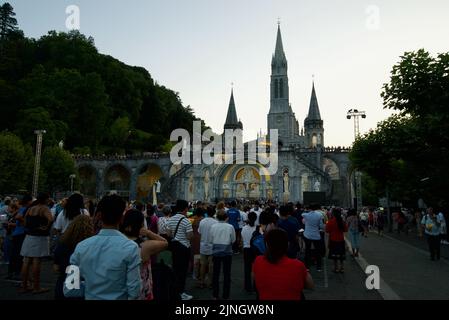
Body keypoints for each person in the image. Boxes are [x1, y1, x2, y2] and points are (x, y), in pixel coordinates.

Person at [64, 194, 141, 299]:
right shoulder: (131, 248)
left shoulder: (81, 247)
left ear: (99, 215)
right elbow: (134, 290)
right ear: (122, 218)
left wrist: (91, 287)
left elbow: (69, 289)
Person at [252, 228, 314, 300]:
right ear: (287, 245)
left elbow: (255, 278)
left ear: (267, 245)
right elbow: (310, 285)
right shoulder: (297, 265)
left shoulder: (258, 261)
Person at [120, 209, 168, 300]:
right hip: (141, 291)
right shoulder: (143, 246)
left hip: (123, 289)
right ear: (141, 225)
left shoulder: (118, 242)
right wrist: (148, 232)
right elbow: (165, 242)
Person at [53, 215, 94, 299]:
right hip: (82, 286)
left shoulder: (62, 244)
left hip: (63, 284)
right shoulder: (90, 246)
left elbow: (56, 268)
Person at [20, 193, 54, 294]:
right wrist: (46, 227)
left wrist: (29, 227)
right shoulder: (44, 208)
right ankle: (36, 287)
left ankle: (25, 286)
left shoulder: (31, 208)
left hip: (29, 236)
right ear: (46, 199)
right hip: (39, 237)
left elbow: (24, 220)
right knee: (36, 261)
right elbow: (51, 219)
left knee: (26, 261)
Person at [166, 199, 194, 300]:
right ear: (186, 209)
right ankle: (181, 293)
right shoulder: (186, 220)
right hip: (184, 248)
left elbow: (168, 234)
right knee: (182, 272)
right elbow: (190, 236)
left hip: (175, 247)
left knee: (175, 269)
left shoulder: (171, 219)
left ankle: (174, 291)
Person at [210, 209, 236, 300]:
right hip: (227, 252)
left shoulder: (213, 226)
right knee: (227, 274)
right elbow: (233, 240)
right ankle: (226, 295)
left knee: (216, 274)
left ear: (217, 217)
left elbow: (210, 239)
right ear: (226, 218)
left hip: (216, 252)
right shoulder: (230, 227)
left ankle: (215, 295)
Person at [197, 205, 218, 289]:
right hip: (212, 245)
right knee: (211, 265)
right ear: (214, 213)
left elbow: (199, 232)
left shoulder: (202, 221)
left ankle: (201, 282)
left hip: (203, 245)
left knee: (202, 264)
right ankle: (210, 282)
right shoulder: (215, 222)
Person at [302, 203, 324, 271]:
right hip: (316, 235)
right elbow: (321, 226)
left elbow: (303, 219)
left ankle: (307, 267)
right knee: (317, 251)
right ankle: (319, 267)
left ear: (309, 208)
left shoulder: (306, 215)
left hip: (307, 235)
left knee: (307, 251)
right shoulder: (319, 215)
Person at [326, 208, 348, 273]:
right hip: (341, 240)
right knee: (341, 255)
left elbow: (327, 230)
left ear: (333, 214)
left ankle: (336, 268)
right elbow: (346, 229)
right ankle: (342, 268)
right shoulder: (342, 221)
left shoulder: (330, 221)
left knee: (334, 255)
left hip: (333, 240)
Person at [242, 211, 257, 292]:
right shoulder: (258, 229)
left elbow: (242, 239)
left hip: (246, 249)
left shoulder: (244, 228)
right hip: (255, 249)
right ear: (255, 219)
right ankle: (255, 285)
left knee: (247, 269)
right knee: (256, 268)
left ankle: (247, 286)